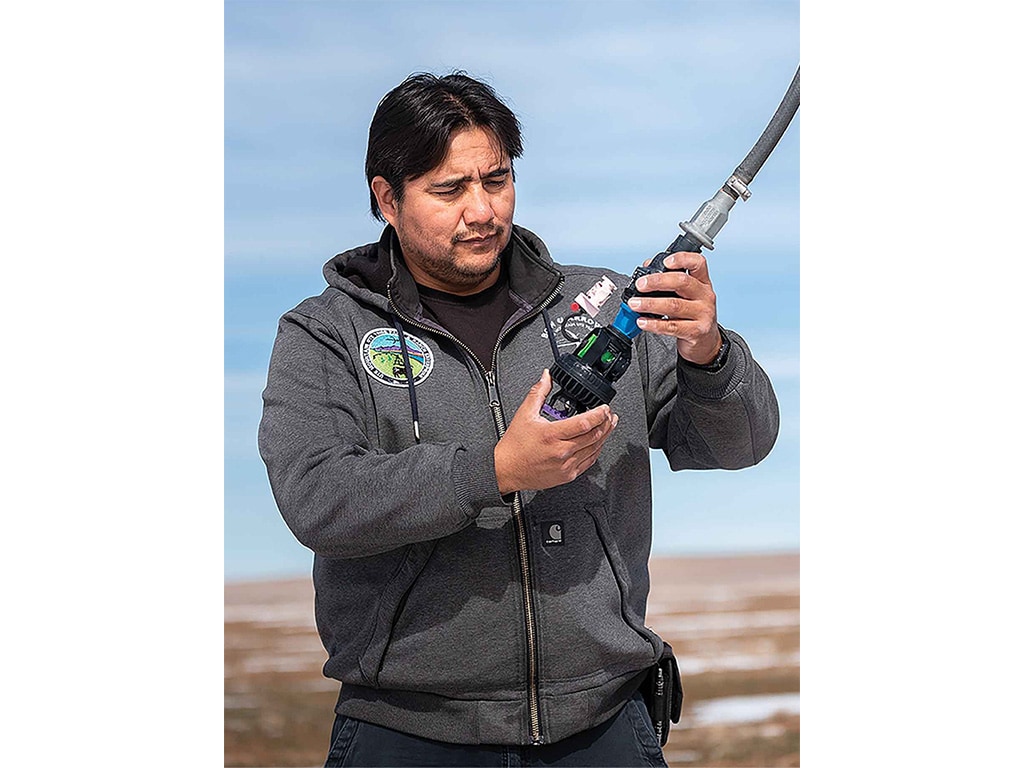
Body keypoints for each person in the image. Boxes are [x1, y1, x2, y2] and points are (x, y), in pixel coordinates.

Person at [258, 71, 780, 767]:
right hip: (407, 734)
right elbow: (318, 499)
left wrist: (707, 353)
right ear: (387, 197)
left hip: (606, 726)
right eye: (449, 189)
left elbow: (741, 444)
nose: (482, 210)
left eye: (497, 180)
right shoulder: (324, 333)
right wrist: (495, 471)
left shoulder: (605, 307)